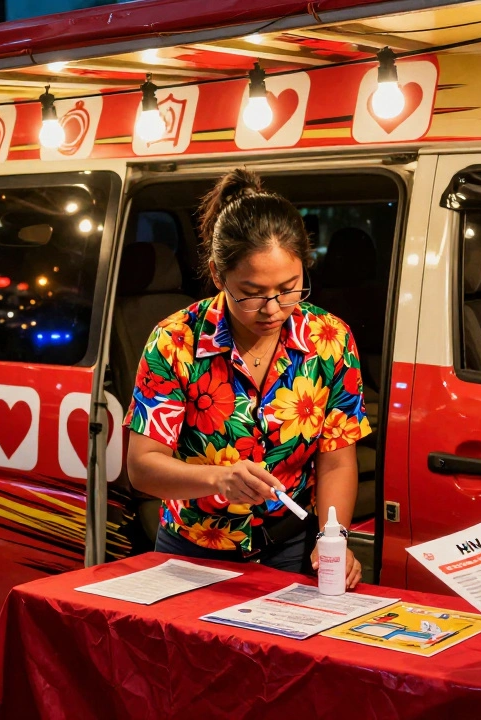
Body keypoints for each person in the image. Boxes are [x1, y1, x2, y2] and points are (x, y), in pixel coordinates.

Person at [126, 169, 369, 588]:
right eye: (252, 292)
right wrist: (218, 478)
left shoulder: (330, 340)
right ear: (218, 276)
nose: (273, 308)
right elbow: (142, 468)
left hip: (290, 549)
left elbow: (337, 460)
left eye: (289, 288)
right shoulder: (175, 341)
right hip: (192, 551)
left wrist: (334, 537)